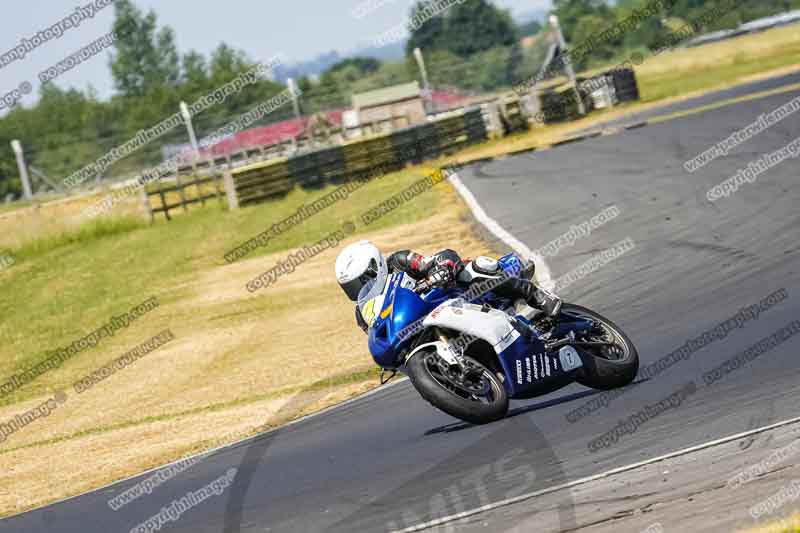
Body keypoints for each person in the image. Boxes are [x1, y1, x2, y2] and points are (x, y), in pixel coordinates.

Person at [335, 240, 562, 333]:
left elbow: (438, 258)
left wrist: (442, 267)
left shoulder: (399, 261)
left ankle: (536, 295)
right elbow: (379, 335)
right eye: (351, 288)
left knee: (472, 269)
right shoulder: (363, 313)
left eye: (359, 282)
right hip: (430, 324)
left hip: (455, 294)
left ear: (374, 268)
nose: (357, 290)